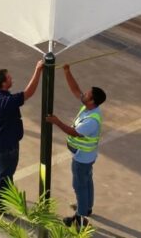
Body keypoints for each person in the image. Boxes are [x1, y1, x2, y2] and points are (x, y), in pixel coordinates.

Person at [46, 64, 106, 229]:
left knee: (79, 185)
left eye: (87, 94)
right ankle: (86, 208)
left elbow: (73, 132)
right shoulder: (89, 107)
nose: (84, 94)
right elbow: (75, 90)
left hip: (82, 158)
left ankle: (80, 218)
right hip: (86, 156)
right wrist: (67, 72)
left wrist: (56, 121)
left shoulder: (92, 120)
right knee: (87, 182)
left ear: (92, 101)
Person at [0, 60, 43, 210]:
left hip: (0, 140)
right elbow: (29, 93)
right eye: (9, 78)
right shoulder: (6, 101)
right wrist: (38, 70)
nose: (12, 79)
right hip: (8, 144)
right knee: (5, 175)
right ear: (4, 83)